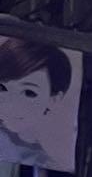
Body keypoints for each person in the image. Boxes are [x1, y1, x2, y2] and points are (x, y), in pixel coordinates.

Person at [0, 37, 75, 169]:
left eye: (29, 92)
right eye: (2, 87)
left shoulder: (45, 163)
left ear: (53, 99)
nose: (11, 103)